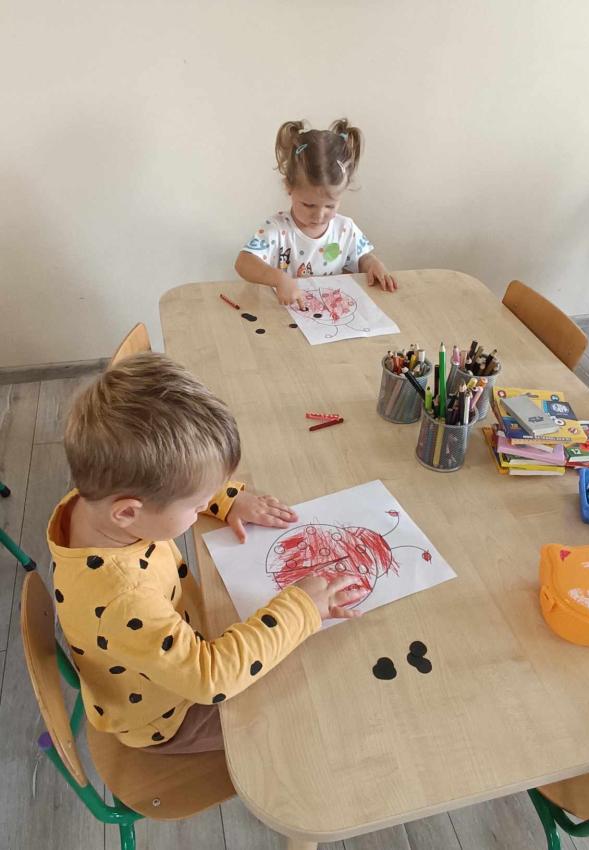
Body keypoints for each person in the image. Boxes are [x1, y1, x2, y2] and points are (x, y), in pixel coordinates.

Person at [47, 353, 361, 753]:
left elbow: (168, 485)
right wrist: (302, 609)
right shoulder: (122, 599)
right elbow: (211, 678)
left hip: (172, 644)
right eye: (197, 505)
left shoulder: (97, 501)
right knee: (307, 719)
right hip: (170, 715)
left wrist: (225, 499)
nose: (202, 508)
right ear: (127, 512)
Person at [235, 118, 398, 309]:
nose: (319, 216)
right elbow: (243, 263)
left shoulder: (345, 229)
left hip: (330, 312)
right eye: (308, 205)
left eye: (330, 206)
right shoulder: (278, 229)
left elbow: (362, 258)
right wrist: (279, 279)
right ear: (289, 187)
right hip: (285, 314)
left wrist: (374, 265)